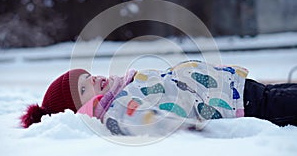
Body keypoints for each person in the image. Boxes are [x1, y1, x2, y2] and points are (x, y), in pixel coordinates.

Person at [20, 60, 297, 136]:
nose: (92, 79)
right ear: (85, 110)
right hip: (243, 106)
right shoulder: (119, 110)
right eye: (84, 89)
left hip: (240, 89)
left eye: (87, 76)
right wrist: (188, 128)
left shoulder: (126, 87)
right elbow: (152, 122)